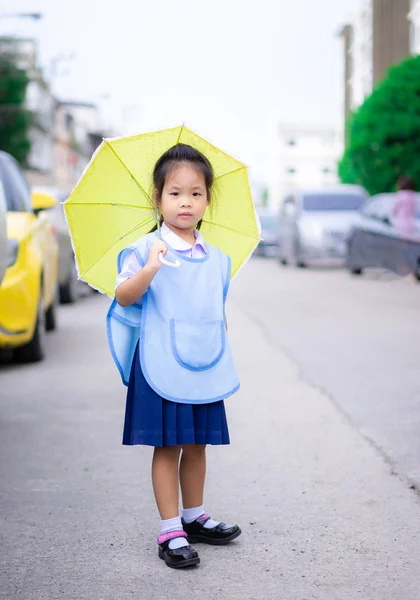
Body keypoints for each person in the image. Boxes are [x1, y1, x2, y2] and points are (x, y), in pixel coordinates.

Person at [107, 143, 241, 569]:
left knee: (197, 444)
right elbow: (124, 297)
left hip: (202, 363)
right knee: (167, 447)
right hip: (161, 362)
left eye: (197, 193)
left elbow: (212, 309)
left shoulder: (216, 257)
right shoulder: (145, 250)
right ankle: (170, 529)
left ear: (208, 199)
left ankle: (194, 515)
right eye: (176, 193)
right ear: (158, 198)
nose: (186, 202)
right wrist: (150, 268)